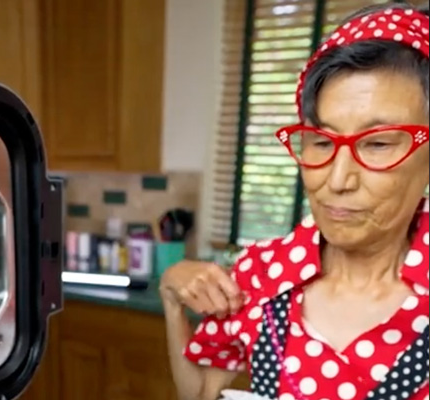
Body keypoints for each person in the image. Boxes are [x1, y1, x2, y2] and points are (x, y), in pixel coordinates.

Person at [160, 3, 429, 400]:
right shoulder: (260, 277)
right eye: (321, 141)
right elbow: (202, 391)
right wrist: (170, 297)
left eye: (377, 144)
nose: (336, 180)